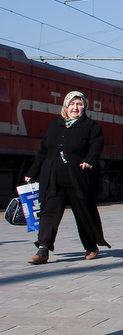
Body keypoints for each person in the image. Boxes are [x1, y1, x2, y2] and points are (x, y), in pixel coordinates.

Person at [25, 91, 110, 264]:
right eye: (72, 104)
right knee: (49, 212)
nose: (75, 108)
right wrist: (32, 172)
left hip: (78, 178)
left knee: (83, 213)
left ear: (84, 107)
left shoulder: (91, 126)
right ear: (65, 106)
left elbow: (96, 146)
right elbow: (43, 151)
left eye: (79, 104)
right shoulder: (55, 125)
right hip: (53, 178)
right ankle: (43, 249)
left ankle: (91, 246)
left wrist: (89, 160)